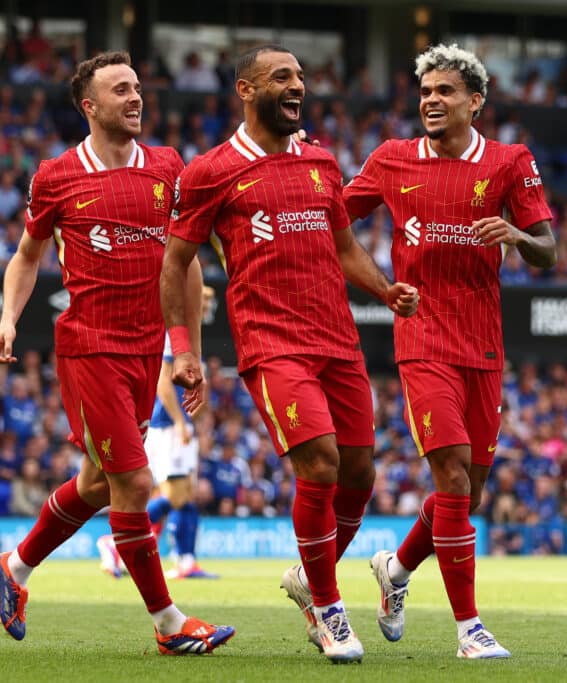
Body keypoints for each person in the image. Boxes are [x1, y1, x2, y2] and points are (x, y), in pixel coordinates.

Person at [159, 44, 418, 663]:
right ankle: (330, 611)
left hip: (338, 339)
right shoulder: (211, 170)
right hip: (272, 344)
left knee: (360, 473)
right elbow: (175, 261)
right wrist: (182, 349)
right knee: (321, 465)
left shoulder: (323, 163)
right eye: (282, 77)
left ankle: (308, 577)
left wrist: (385, 288)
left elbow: (345, 246)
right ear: (246, 89)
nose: (297, 85)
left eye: (300, 76)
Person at [0, 50, 233, 655]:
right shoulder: (57, 175)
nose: (135, 97)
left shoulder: (169, 167)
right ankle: (171, 627)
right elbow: (27, 254)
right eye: (120, 89)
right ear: (90, 106)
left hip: (147, 348)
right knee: (134, 481)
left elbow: (188, 265)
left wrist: (187, 351)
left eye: (137, 86)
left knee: (96, 483)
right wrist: (7, 320)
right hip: (89, 347)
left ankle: (12, 569)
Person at [342, 43, 556, 659]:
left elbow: (548, 252)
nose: (431, 101)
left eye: (445, 92)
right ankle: (469, 629)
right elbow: (332, 220)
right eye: (426, 92)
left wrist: (516, 234)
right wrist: (382, 286)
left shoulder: (511, 163)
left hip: (484, 345)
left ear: (475, 102)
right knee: (454, 475)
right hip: (423, 337)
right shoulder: (391, 159)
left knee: (471, 494)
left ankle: (397, 568)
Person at [97, 289, 219, 581]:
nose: (206, 307)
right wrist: (179, 422)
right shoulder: (173, 335)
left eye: (208, 302)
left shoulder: (192, 336)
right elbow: (163, 383)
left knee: (186, 495)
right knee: (175, 495)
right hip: (167, 424)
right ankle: (113, 542)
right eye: (202, 301)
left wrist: (199, 424)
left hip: (183, 424)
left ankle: (186, 561)